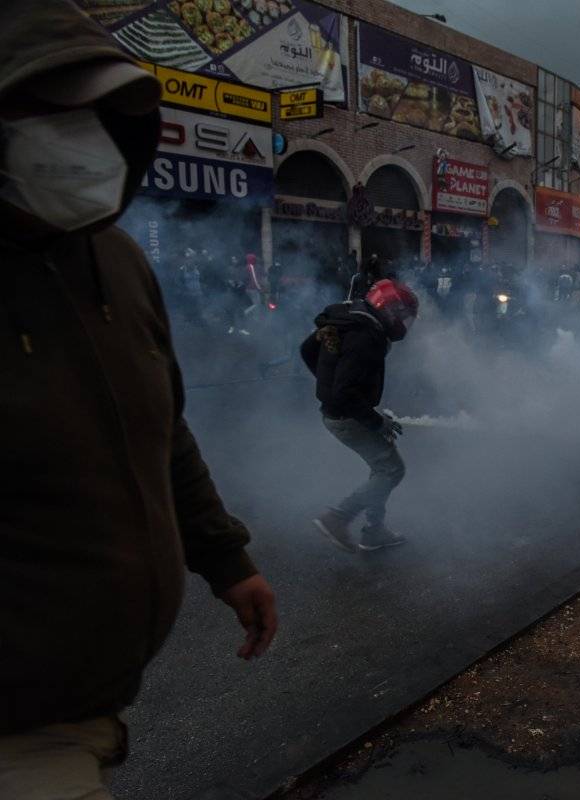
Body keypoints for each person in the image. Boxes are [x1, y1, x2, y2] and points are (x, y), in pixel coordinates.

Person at [0, 3, 278, 796]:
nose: (84, 138)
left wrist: (225, 558)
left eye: (102, 115)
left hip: (89, 702)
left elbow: (161, 428)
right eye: (55, 114)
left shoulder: (119, 260)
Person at [302, 279, 419, 552]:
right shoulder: (366, 337)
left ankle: (375, 531)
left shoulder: (349, 318)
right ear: (390, 311)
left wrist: (327, 380)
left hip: (343, 411)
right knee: (391, 470)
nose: (404, 325)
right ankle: (338, 518)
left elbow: (307, 350)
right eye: (403, 317)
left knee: (381, 468)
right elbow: (344, 393)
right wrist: (377, 422)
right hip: (346, 417)